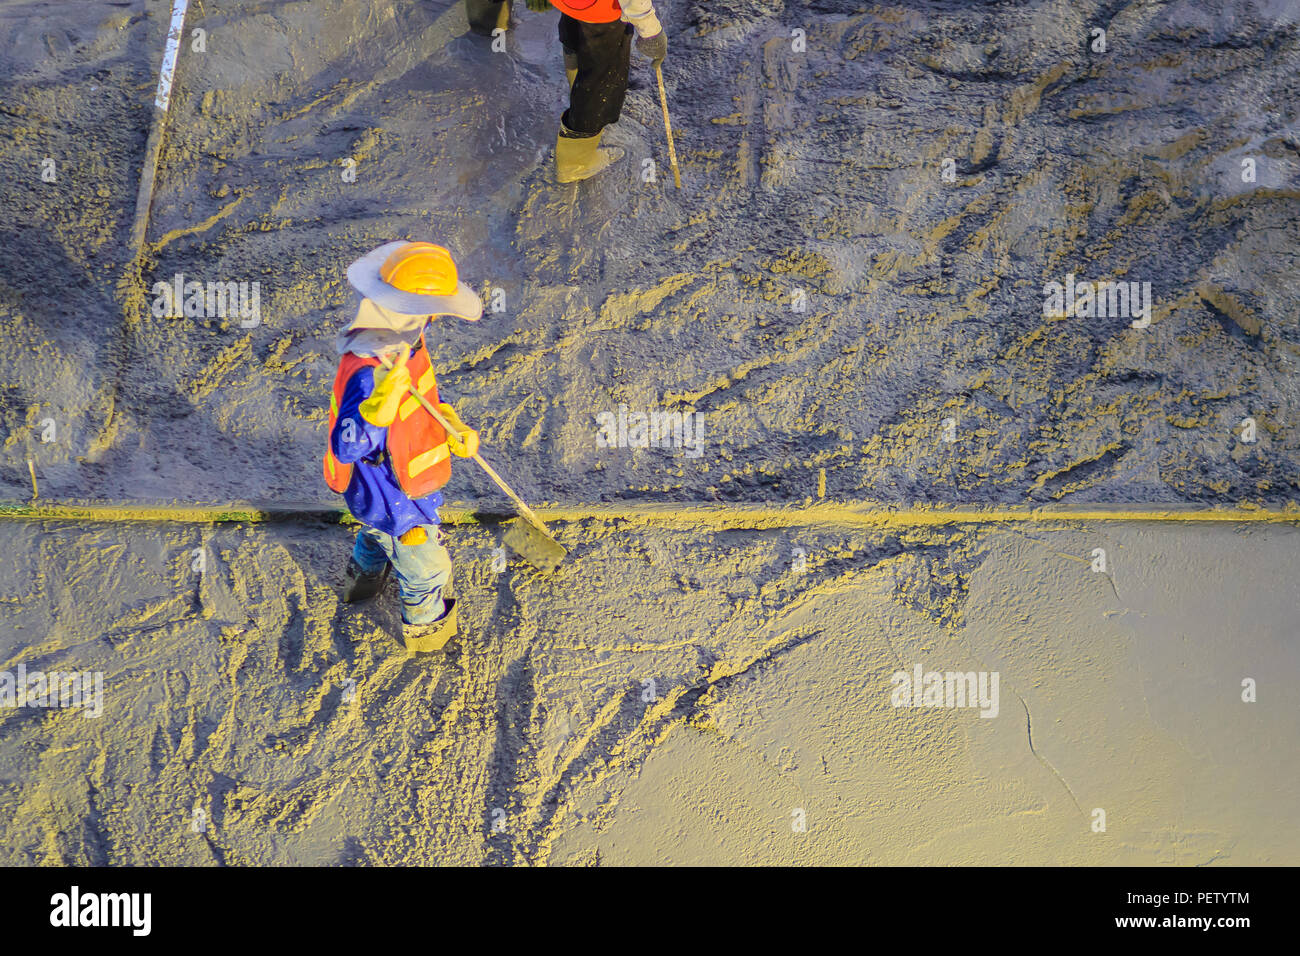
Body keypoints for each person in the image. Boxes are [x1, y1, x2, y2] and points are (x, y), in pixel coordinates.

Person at [324, 241, 483, 653]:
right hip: (390, 493)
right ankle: (427, 636)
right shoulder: (368, 371)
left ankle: (363, 580)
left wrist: (452, 425)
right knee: (428, 570)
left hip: (410, 479)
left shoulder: (407, 342)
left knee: (377, 535)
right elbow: (346, 447)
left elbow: (425, 401)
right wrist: (377, 407)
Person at [526, 0, 668, 183]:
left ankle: (576, 86)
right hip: (603, 12)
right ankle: (575, 163)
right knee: (601, 80)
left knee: (575, 30)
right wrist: (650, 31)